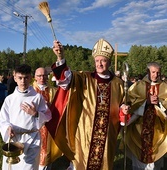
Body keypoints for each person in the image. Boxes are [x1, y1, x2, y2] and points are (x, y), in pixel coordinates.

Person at [46, 38, 128, 170]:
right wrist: (60, 57)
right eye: (97, 61)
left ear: (109, 62)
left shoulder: (118, 83)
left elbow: (122, 105)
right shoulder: (85, 78)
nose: (99, 64)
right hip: (85, 135)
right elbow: (65, 79)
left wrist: (123, 110)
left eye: (103, 60)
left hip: (108, 136)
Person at [0, 64, 52, 170]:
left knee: (29, 167)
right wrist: (7, 128)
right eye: (20, 78)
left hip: (32, 139)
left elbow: (48, 116)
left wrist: (35, 113)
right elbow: (2, 120)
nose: (23, 81)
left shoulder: (37, 97)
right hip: (14, 139)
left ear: (30, 78)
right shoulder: (10, 99)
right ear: (15, 78)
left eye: (26, 78)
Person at [126, 62, 167, 170]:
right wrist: (145, 103)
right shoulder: (138, 86)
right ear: (147, 72)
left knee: (156, 163)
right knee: (140, 164)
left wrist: (159, 104)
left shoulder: (164, 87)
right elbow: (130, 105)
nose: (156, 75)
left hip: (158, 130)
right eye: (153, 72)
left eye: (158, 73)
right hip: (139, 130)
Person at [33, 67, 61, 170]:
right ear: (35, 77)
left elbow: (59, 107)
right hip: (33, 127)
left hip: (48, 127)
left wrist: (51, 106)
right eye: (39, 76)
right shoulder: (30, 90)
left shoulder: (54, 91)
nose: (42, 78)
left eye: (44, 75)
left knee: (46, 154)